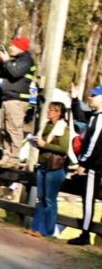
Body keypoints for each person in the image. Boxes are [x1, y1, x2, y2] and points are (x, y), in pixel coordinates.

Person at [22, 101, 70, 237]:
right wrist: (37, 143)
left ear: (59, 113)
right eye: (49, 109)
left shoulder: (63, 128)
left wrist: (45, 144)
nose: (49, 112)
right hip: (43, 165)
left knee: (50, 200)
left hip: (55, 167)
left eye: (53, 110)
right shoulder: (46, 126)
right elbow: (44, 145)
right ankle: (35, 227)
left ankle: (47, 230)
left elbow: (63, 148)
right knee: (41, 198)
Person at [67, 85, 102, 246]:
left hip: (94, 166)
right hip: (92, 164)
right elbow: (80, 115)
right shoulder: (95, 115)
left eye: (94, 95)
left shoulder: (100, 118)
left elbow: (94, 144)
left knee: (89, 199)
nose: (90, 97)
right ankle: (85, 232)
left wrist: (84, 164)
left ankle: (85, 234)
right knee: (86, 198)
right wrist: (75, 99)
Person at [0, 37, 36, 167]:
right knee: (4, 130)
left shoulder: (27, 60)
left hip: (17, 100)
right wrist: (0, 63)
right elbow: (2, 74)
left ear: (20, 47)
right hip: (7, 99)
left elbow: (14, 73)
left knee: (14, 129)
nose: (10, 48)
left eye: (12, 46)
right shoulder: (15, 61)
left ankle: (14, 158)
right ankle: (6, 156)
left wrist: (7, 61)